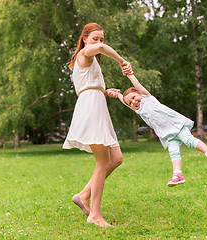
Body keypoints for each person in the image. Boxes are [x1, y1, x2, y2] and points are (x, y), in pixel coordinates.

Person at [62, 23, 133, 227]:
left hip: (97, 103)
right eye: (95, 38)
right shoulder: (84, 54)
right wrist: (122, 61)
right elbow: (101, 50)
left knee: (116, 158)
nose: (99, 43)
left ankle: (83, 196)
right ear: (84, 39)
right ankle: (94, 215)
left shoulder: (90, 60)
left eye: (101, 39)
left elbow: (89, 84)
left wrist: (104, 90)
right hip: (90, 107)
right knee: (102, 162)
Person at [107, 74, 207, 187]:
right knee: (173, 152)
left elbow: (137, 84)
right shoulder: (139, 110)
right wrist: (118, 96)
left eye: (133, 97)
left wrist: (129, 74)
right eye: (130, 103)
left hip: (175, 124)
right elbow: (126, 102)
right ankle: (178, 175)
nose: (134, 102)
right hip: (167, 133)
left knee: (189, 141)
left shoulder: (147, 97)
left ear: (138, 93)